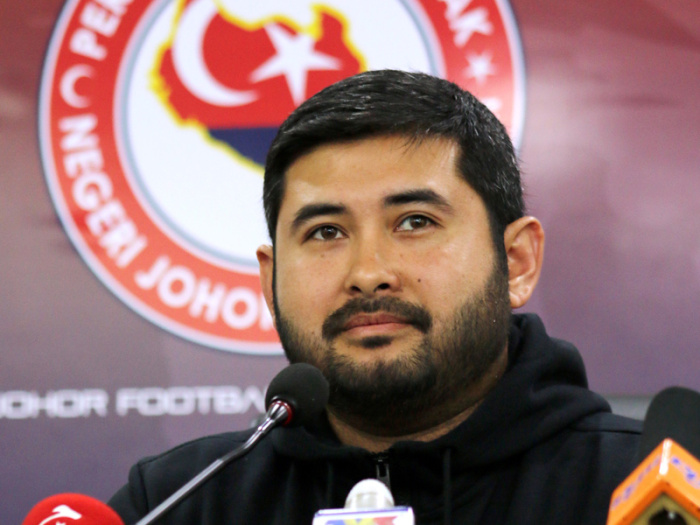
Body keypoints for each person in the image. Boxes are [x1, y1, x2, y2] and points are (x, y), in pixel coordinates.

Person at [108, 70, 641, 524]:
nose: (367, 273)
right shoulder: (176, 505)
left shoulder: (646, 492)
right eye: (325, 232)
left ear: (516, 263)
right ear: (270, 283)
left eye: (415, 222)